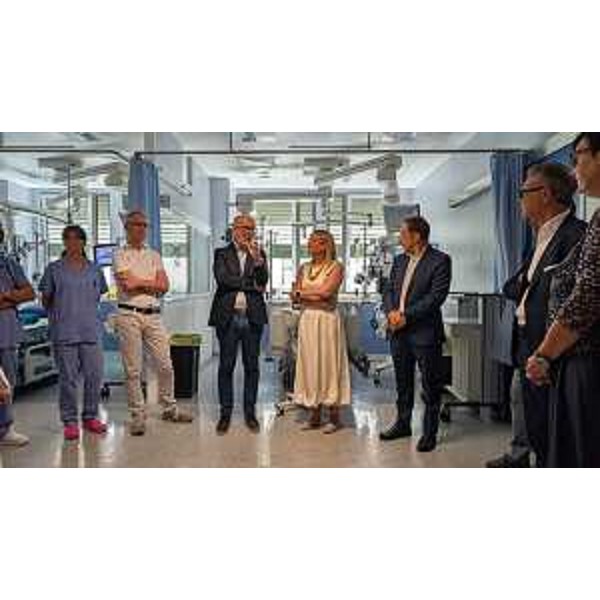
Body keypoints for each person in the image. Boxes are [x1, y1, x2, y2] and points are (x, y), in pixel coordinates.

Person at [487, 162, 586, 468]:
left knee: (553, 429)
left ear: (544, 194)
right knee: (530, 413)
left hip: (554, 348)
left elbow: (576, 298)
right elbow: (516, 285)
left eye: (522, 192)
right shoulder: (541, 237)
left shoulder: (577, 235)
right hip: (526, 340)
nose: (519, 199)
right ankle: (523, 458)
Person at [527, 133, 600, 468]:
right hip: (570, 357)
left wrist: (544, 353)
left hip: (585, 360)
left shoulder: (582, 228)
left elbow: (587, 296)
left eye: (577, 156)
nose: (574, 169)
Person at [113, 209, 194, 436]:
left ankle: (170, 408)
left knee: (165, 364)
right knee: (133, 369)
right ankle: (138, 415)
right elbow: (128, 286)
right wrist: (151, 284)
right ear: (127, 227)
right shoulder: (119, 255)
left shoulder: (154, 255)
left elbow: (164, 286)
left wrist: (140, 282)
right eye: (137, 224)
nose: (141, 229)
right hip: (128, 315)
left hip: (154, 314)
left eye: (144, 225)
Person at [380, 216, 452, 453]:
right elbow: (388, 290)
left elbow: (436, 297)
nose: (399, 239)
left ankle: (429, 433)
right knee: (403, 383)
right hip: (398, 332)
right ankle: (403, 424)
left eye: (403, 234)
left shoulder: (440, 261)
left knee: (430, 386)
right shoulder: (400, 260)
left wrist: (406, 316)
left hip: (425, 333)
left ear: (417, 236)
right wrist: (391, 312)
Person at [39, 225, 109, 441]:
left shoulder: (94, 269)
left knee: (94, 376)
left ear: (83, 242)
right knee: (68, 379)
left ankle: (90, 416)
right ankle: (70, 421)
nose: (72, 242)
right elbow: (46, 299)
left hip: (90, 330)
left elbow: (98, 295)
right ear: (64, 242)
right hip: (64, 330)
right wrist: (61, 313)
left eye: (77, 238)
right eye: (68, 238)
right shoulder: (54, 269)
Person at [209, 214, 269, 435]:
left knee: (252, 367)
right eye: (244, 227)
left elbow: (263, 281)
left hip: (253, 317)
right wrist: (251, 285)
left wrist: (259, 263)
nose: (248, 232)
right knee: (226, 366)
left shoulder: (259, 254)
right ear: (234, 229)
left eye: (251, 228)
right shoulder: (221, 253)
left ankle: (250, 412)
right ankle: (225, 413)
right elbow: (223, 279)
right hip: (228, 316)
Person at [291, 230, 351, 433]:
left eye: (313, 241)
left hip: (327, 321)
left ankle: (334, 416)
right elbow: (295, 296)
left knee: (329, 363)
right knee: (311, 364)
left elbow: (327, 293)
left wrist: (303, 294)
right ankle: (314, 414)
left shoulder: (336, 267)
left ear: (325, 245)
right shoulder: (304, 268)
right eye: (309, 241)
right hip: (308, 320)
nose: (309, 244)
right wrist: (313, 296)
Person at [0, 223, 34, 448]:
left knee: (6, 383)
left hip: (6, 331)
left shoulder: (9, 264)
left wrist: (7, 297)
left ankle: (5, 429)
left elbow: (29, 292)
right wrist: (10, 299)